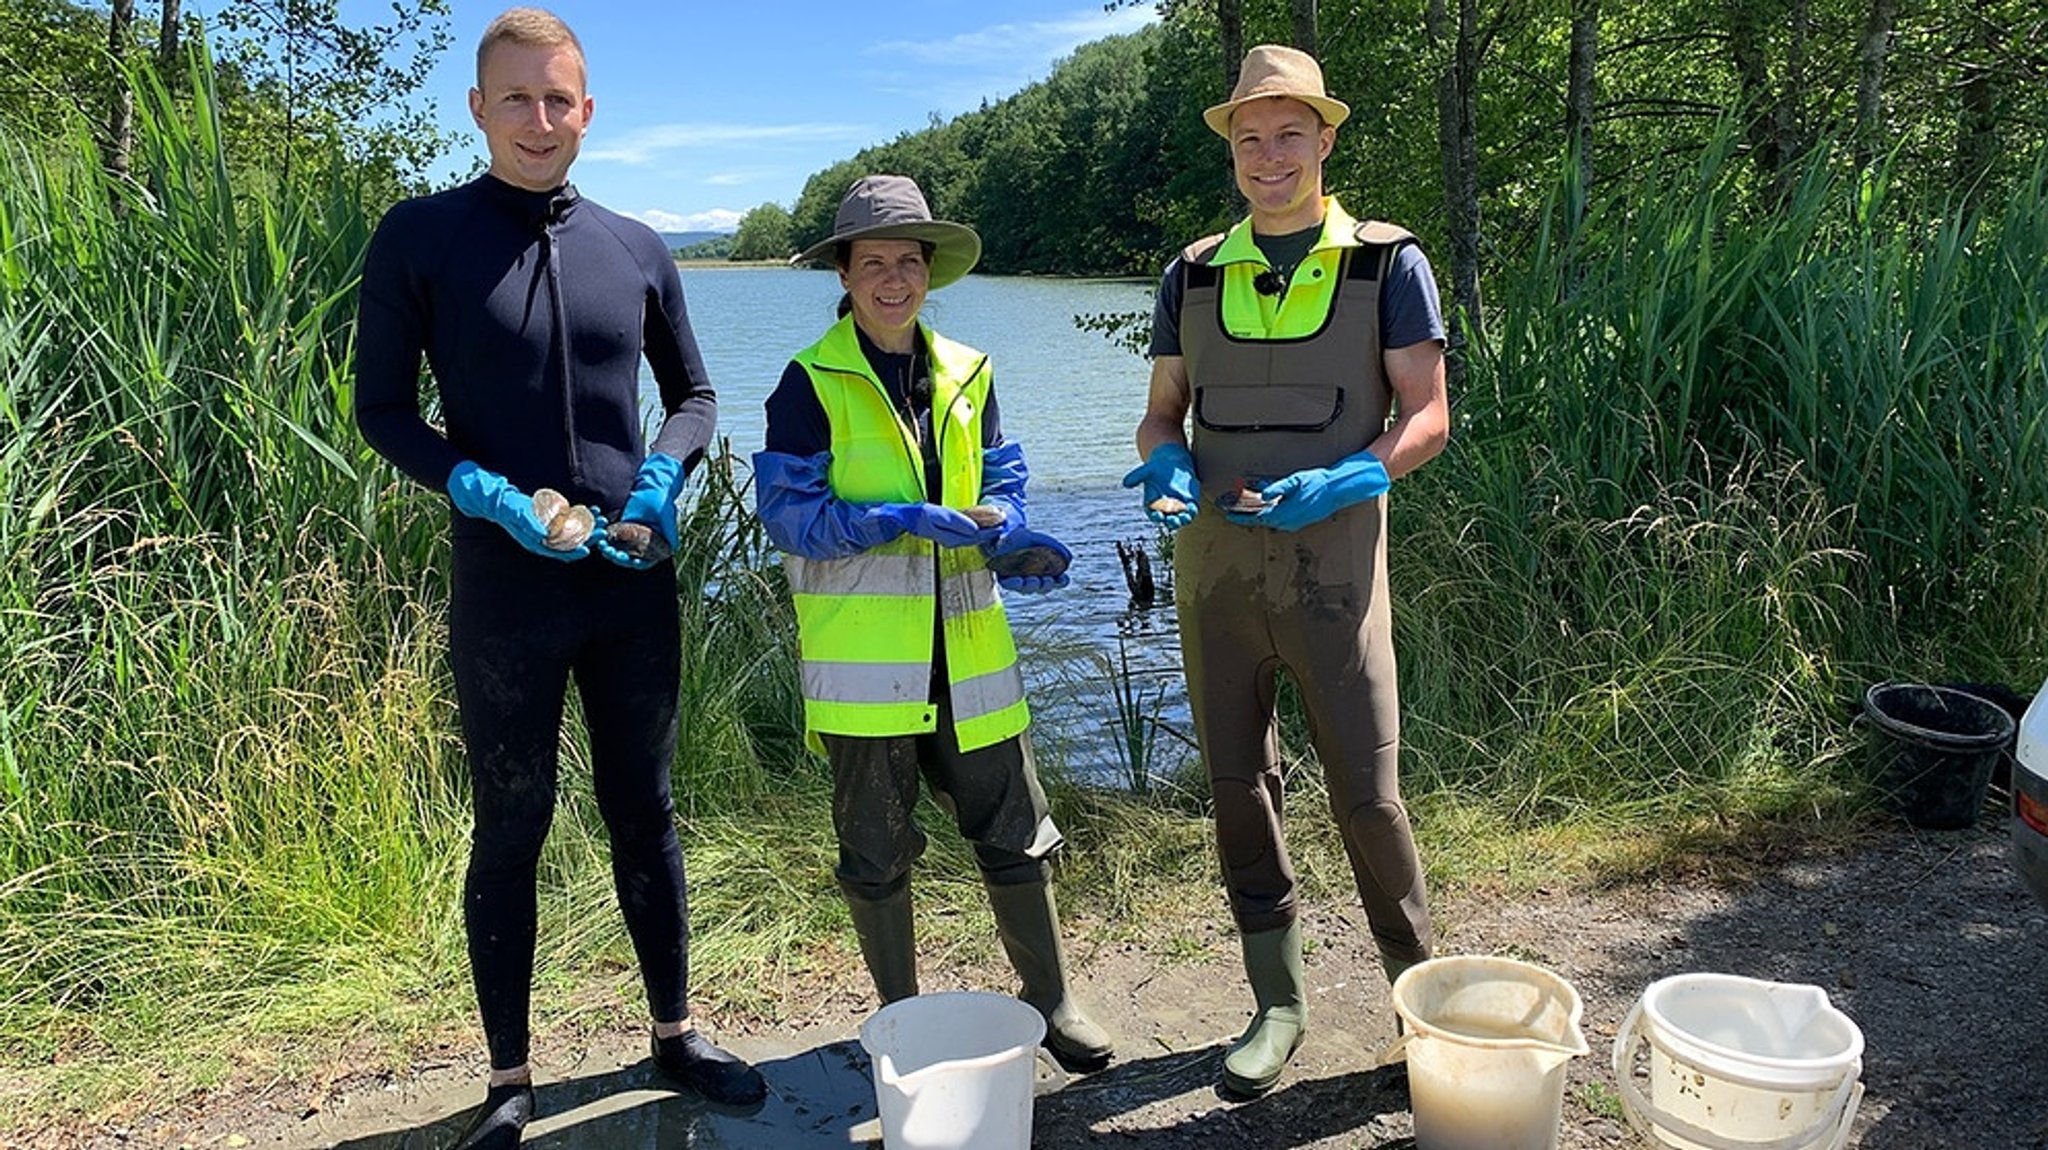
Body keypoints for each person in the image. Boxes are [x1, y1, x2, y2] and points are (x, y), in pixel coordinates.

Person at [353, 8, 765, 1145]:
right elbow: (381, 409)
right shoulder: (420, 236)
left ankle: (675, 1033)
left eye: (560, 99)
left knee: (648, 809)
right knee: (512, 822)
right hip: (507, 584)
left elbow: (693, 397)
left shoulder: (633, 244)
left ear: (588, 111)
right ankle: (509, 1078)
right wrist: (480, 489)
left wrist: (658, 489)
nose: (541, 120)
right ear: (479, 109)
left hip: (630, 576)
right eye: (518, 99)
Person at [1123, 44, 1449, 1097]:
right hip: (1213, 573)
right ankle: (1277, 1002)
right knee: (1235, 785)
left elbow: (1428, 415)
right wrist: (1163, 461)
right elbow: (1160, 411)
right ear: (1233, 148)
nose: (1269, 155)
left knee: (1367, 789)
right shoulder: (1192, 269)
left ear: (1324, 137)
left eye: (1288, 133)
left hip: (1334, 571)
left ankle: (1417, 1001)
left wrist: (1351, 476)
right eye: (1250, 137)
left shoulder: (1383, 262)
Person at [752, 174, 1115, 1073]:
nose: (893, 279)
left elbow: (1003, 472)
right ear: (844, 271)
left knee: (1017, 829)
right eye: (873, 261)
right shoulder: (808, 381)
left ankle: (1054, 1000)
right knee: (874, 849)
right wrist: (899, 519)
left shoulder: (969, 369)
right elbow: (791, 519)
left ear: (930, 272)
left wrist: (1010, 530)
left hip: (971, 653)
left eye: (908, 262)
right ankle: (900, 1023)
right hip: (866, 669)